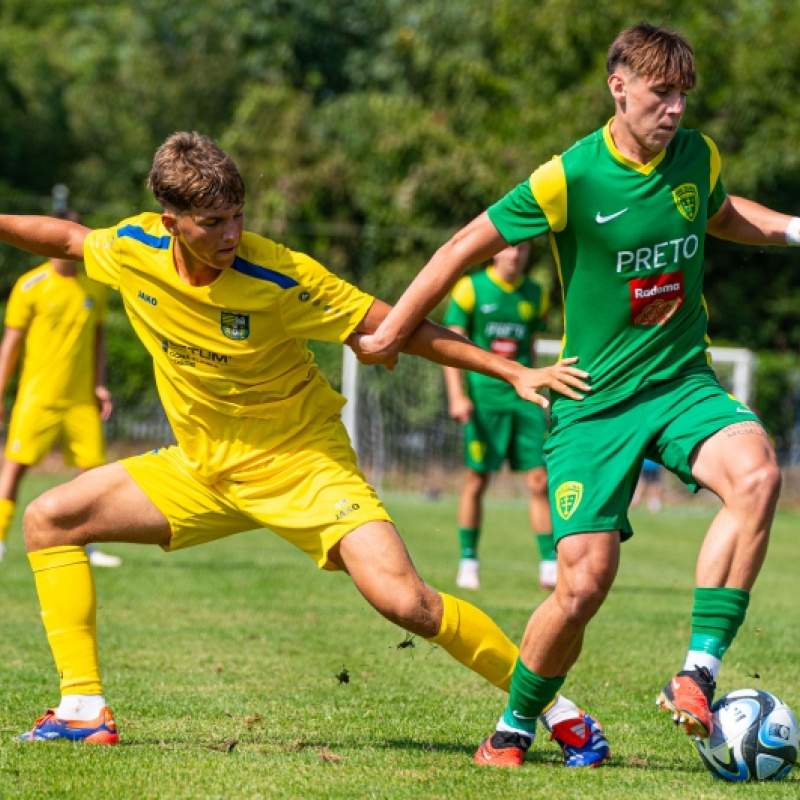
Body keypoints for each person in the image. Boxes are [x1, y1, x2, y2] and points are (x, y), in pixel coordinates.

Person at [0, 132, 609, 767]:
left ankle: (560, 713)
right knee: (50, 520)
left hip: (304, 465)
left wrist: (508, 371)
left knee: (407, 602)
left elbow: (395, 323)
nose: (232, 233)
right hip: (203, 467)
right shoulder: (133, 247)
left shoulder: (279, 274)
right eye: (213, 223)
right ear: (170, 222)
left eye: (239, 215)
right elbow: (68, 239)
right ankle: (82, 711)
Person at [358, 22, 791, 768]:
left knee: (757, 474)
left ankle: (695, 673)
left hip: (683, 380)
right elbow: (463, 247)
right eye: (661, 94)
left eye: (684, 96)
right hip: (593, 404)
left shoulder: (697, 157)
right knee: (583, 583)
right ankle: (516, 726)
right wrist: (393, 331)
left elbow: (718, 215)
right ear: (618, 87)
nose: (676, 110)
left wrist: (792, 229)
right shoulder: (570, 177)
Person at [0, 211, 120, 568]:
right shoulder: (30, 285)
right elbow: (11, 344)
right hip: (37, 398)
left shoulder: (94, 288)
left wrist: (100, 385)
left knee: (94, 477)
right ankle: (1, 540)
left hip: (80, 400)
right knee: (15, 468)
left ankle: (90, 545)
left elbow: (99, 339)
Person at [442, 242, 557, 592]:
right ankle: (468, 560)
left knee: (540, 480)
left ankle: (549, 564)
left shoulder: (536, 294)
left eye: (522, 249)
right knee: (477, 480)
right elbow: (452, 346)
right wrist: (458, 395)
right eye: (508, 248)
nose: (514, 255)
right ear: (495, 251)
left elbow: (532, 347)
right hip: (483, 400)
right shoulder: (470, 289)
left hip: (523, 400)